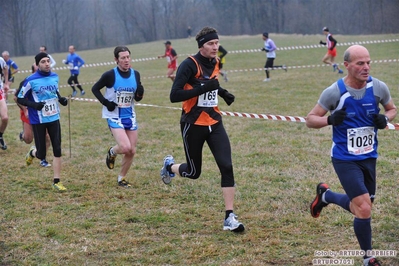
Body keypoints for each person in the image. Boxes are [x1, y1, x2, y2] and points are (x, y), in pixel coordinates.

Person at [306, 45, 397, 266]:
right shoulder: (334, 92)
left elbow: (392, 109)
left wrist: (385, 119)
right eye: (360, 63)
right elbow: (310, 119)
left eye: (368, 62)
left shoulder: (378, 88)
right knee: (364, 208)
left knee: (362, 206)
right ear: (346, 66)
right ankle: (369, 258)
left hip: (369, 156)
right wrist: (329, 119)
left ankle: (325, 196)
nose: (366, 67)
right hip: (344, 158)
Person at [161, 26, 244, 233]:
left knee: (226, 166)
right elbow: (175, 95)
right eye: (211, 44)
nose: (216, 47)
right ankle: (170, 167)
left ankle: (229, 216)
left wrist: (223, 93)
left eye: (217, 43)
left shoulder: (215, 61)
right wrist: (202, 90)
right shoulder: (189, 64)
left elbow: (211, 83)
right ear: (202, 46)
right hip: (192, 124)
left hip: (214, 122)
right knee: (193, 171)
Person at [91, 46, 144, 188]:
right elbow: (95, 89)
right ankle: (112, 151)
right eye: (123, 58)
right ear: (116, 60)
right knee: (125, 147)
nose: (126, 60)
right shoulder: (110, 75)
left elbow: (137, 98)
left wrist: (140, 93)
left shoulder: (136, 74)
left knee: (132, 150)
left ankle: (121, 178)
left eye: (128, 57)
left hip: (130, 115)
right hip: (114, 116)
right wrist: (106, 102)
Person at [17, 52, 69, 191]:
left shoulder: (55, 77)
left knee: (57, 149)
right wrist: (34, 105)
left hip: (54, 117)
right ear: (37, 65)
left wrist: (62, 100)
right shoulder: (31, 80)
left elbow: (55, 94)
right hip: (38, 119)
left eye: (48, 61)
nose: (47, 64)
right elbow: (19, 98)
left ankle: (57, 181)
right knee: (42, 154)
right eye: (43, 62)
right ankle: (33, 153)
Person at [14, 64, 52, 167]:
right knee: (28, 139)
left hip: (41, 113)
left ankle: (42, 159)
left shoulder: (46, 81)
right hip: (28, 112)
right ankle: (23, 135)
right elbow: (16, 98)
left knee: (46, 137)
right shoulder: (27, 81)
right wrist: (25, 109)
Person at [0, 56, 9, 150]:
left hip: (0, 92)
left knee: (5, 118)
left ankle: (0, 135)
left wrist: (6, 83)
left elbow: (6, 69)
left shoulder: (0, 60)